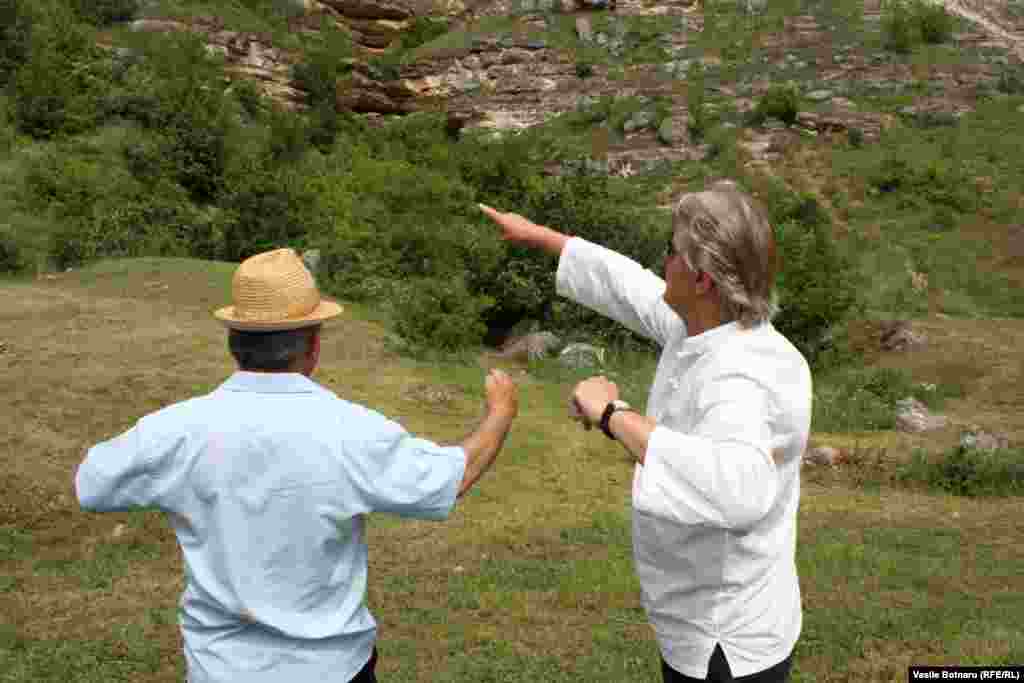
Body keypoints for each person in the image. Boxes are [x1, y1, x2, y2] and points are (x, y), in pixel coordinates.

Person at [74, 248, 518, 683]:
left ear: (235, 342)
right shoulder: (350, 430)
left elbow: (92, 484)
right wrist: (501, 412)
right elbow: (448, 479)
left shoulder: (176, 430)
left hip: (219, 669)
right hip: (330, 670)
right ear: (314, 344)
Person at [479, 180, 811, 683]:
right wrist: (542, 237)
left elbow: (737, 490)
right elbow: (626, 284)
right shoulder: (706, 326)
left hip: (723, 643)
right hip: (705, 619)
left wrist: (612, 414)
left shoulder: (739, 377)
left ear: (702, 280)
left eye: (671, 251)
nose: (662, 261)